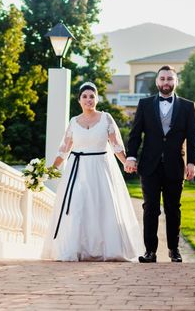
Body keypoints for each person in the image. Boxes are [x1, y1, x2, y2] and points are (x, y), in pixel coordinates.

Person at [41, 82, 144, 261]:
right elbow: (64, 150)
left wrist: (126, 162)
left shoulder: (106, 118)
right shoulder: (73, 121)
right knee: (78, 207)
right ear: (79, 100)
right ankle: (75, 249)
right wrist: (51, 169)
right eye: (85, 97)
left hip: (100, 169)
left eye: (92, 96)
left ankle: (106, 249)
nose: (88, 100)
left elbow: (116, 146)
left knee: (102, 206)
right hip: (77, 169)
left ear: (96, 99)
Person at [125, 65, 195, 263]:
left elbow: (193, 137)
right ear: (157, 82)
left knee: (173, 208)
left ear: (176, 82)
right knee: (150, 208)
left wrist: (192, 162)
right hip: (150, 165)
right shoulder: (145, 104)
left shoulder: (187, 106)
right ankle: (150, 251)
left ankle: (174, 250)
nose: (166, 82)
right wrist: (131, 156)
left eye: (170, 79)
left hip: (176, 165)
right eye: (163, 79)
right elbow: (135, 134)